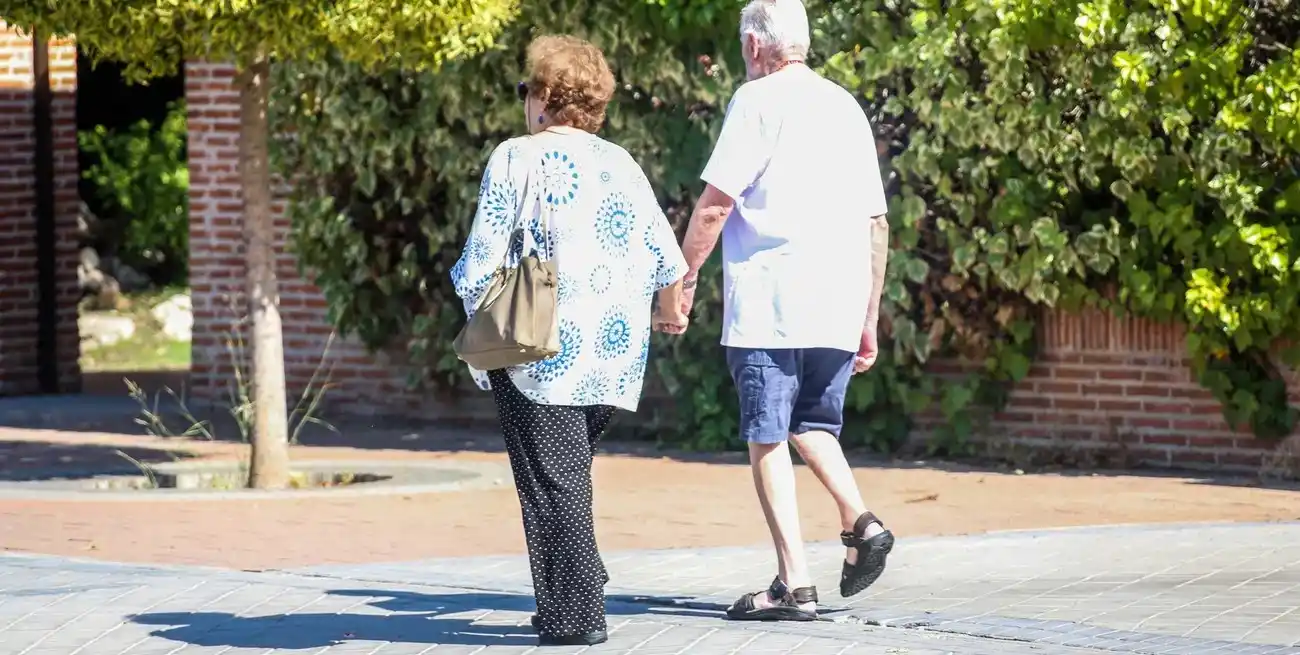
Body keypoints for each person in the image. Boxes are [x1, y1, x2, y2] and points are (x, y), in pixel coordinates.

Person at [450, 35, 688, 647]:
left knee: (549, 481)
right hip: (613, 353)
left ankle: (577, 616)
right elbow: (667, 257)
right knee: (564, 474)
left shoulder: (516, 157)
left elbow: (481, 259)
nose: (523, 100)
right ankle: (573, 583)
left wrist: (476, 319)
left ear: (547, 97)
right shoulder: (621, 161)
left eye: (527, 89)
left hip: (540, 347)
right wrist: (668, 315)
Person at [662, 0, 895, 622]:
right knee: (812, 425)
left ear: (754, 46)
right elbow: (877, 222)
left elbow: (715, 206)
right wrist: (868, 314)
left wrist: (680, 286)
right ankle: (862, 523)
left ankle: (794, 584)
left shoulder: (757, 101)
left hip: (772, 302)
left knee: (766, 432)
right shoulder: (845, 105)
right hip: (838, 300)